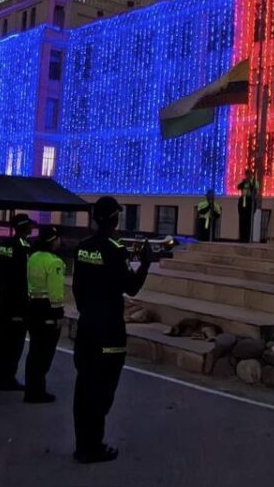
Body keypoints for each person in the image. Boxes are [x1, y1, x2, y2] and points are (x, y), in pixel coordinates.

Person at [72, 196, 154, 464]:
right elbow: (131, 287)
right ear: (115, 219)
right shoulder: (115, 250)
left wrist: (88, 311)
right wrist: (145, 263)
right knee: (103, 388)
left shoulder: (83, 248)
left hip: (87, 326)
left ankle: (82, 444)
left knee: (84, 386)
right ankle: (93, 447)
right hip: (108, 331)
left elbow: (77, 287)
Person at [0, 213, 33, 391]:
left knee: (1, 340)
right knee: (14, 341)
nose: (32, 227)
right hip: (18, 300)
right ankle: (7, 378)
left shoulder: (4, 245)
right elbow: (25, 275)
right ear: (25, 227)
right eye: (29, 225)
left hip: (4, 298)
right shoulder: (24, 247)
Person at [24, 225, 65, 403]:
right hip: (47, 308)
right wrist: (58, 314)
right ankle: (37, 391)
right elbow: (55, 292)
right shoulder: (54, 262)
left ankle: (31, 388)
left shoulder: (33, 257)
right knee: (45, 352)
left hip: (33, 305)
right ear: (53, 241)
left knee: (34, 350)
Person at [235, 170, 260, 243]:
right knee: (242, 220)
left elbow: (254, 190)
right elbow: (238, 187)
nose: (248, 176)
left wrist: (250, 183)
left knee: (249, 220)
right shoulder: (244, 182)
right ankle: (242, 237)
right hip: (243, 200)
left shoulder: (255, 182)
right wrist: (244, 182)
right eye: (247, 175)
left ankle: (248, 237)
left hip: (250, 201)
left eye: (249, 175)